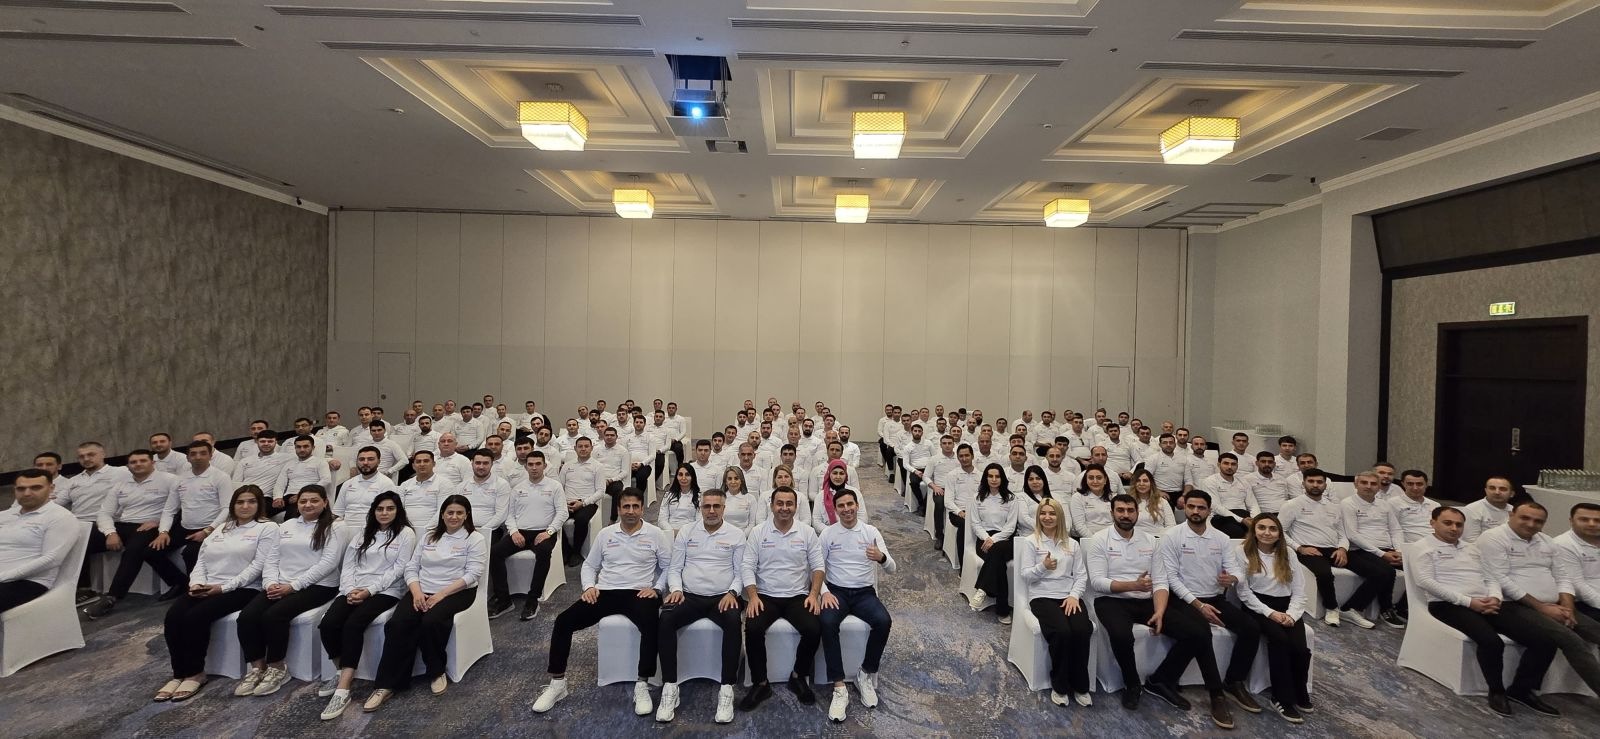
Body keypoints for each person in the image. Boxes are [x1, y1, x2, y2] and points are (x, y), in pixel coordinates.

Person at [533, 488, 670, 717]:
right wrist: (589, 587)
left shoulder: (655, 534)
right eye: (626, 507)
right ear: (618, 509)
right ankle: (558, 684)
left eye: (635, 506)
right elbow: (590, 565)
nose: (631, 511)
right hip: (605, 591)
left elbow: (668, 567)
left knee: (651, 625)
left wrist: (656, 589)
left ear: (642, 509)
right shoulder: (606, 534)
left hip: (639, 592)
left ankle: (642, 683)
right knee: (564, 621)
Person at [1415, 506, 1557, 716]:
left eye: (1459, 524)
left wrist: (1495, 597)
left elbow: (1490, 577)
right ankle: (1496, 691)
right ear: (1432, 523)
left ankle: (1521, 690)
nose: (1454, 528)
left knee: (1545, 640)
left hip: (1486, 602)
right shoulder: (1423, 547)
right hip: (1447, 605)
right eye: (1448, 523)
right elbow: (1425, 581)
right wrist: (1468, 602)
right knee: (1491, 641)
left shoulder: (1471, 549)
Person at [1149, 490, 1260, 730]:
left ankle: (1234, 681)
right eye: (1191, 507)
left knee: (1251, 628)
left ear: (1209, 510)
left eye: (1201, 507)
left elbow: (1237, 570)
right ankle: (1216, 693)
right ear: (1185, 508)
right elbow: (1171, 578)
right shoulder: (1171, 536)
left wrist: (1233, 578)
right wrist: (1198, 605)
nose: (1195, 511)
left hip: (1215, 599)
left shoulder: (1221, 538)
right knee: (1201, 632)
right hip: (1182, 600)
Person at [364, 495, 487, 710]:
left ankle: (436, 671)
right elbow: (411, 567)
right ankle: (386, 685)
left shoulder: (474, 538)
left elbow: (473, 574)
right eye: (450, 512)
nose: (454, 517)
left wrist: (441, 595)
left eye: (459, 513)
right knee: (398, 624)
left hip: (457, 592)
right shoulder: (429, 536)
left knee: (431, 621)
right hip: (421, 589)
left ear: (467, 515)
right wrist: (416, 592)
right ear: (442, 514)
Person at [155, 486, 276, 702]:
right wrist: (196, 583)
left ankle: (195, 673)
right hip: (207, 585)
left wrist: (223, 588)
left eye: (251, 501)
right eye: (240, 502)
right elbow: (201, 561)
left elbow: (258, 566)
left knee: (195, 617)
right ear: (232, 505)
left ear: (259, 505)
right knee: (173, 617)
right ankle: (178, 673)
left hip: (244, 588)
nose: (245, 506)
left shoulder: (267, 528)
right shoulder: (222, 528)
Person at [1474, 501, 1600, 705]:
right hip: (1511, 605)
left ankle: (1520, 690)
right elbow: (1500, 579)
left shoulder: (1546, 541)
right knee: (1571, 641)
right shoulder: (1493, 538)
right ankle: (1521, 691)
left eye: (1538, 521)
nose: (1531, 524)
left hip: (1553, 605)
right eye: (1525, 518)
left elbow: (1563, 577)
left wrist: (1568, 607)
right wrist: (1542, 608)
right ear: (1511, 515)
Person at [234, 485, 344, 697]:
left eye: (314, 500)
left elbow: (328, 563)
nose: (308, 505)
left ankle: (277, 668)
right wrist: (270, 583)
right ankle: (257, 668)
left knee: (274, 615)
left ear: (325, 502)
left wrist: (293, 586)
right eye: (303, 501)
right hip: (281, 583)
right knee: (247, 617)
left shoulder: (335, 526)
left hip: (319, 586)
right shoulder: (287, 525)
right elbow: (272, 558)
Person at [317, 492, 416, 720]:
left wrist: (369, 591)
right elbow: (349, 564)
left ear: (398, 511)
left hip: (386, 590)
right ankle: (341, 670)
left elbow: (399, 569)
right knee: (328, 624)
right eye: (380, 509)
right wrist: (349, 589)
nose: (384, 513)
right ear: (373, 511)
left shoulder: (405, 533)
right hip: (354, 588)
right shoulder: (363, 533)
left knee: (353, 624)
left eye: (390, 508)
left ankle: (343, 689)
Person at [654, 489, 746, 724]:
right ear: (700, 508)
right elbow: (674, 568)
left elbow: (741, 573)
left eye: (716, 506)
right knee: (665, 619)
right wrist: (676, 589)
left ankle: (727, 688)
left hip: (722, 597)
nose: (711, 511)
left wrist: (732, 592)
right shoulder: (687, 531)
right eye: (707, 506)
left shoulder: (736, 535)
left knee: (734, 621)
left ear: (724, 508)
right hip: (689, 596)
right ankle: (670, 686)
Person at [739, 486, 825, 710]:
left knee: (814, 628)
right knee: (753, 628)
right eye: (780, 503)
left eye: (789, 504)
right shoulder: (758, 532)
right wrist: (753, 597)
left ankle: (798, 676)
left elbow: (818, 566)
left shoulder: (807, 532)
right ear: (771, 506)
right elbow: (747, 566)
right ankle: (761, 683)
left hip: (797, 596)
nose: (784, 508)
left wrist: (814, 594)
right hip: (765, 596)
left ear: (796, 506)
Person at [818, 489, 895, 722]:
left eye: (850, 504)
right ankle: (839, 686)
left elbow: (892, 568)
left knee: (883, 621)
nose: (847, 509)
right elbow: (816, 568)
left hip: (864, 593)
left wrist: (881, 557)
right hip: (837, 592)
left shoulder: (871, 532)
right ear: (835, 509)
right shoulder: (828, 534)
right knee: (827, 622)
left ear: (857, 505)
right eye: (841, 506)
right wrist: (824, 592)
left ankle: (865, 673)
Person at [85, 450, 188, 617]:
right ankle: (79, 588)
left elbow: (184, 506)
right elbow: (104, 513)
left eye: (142, 461)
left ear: (152, 463)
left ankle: (112, 597)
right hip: (123, 525)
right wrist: (110, 533)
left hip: (151, 526)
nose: (138, 464)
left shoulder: (170, 480)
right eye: (133, 462)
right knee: (83, 539)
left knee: (134, 549)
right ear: (128, 466)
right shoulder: (121, 485)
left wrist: (158, 521)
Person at [1234, 514, 1314, 723]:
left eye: (1272, 529)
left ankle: (1299, 690)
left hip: (1286, 606)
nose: (1266, 533)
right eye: (1261, 527)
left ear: (1279, 534)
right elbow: (1244, 593)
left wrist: (1292, 615)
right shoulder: (1242, 551)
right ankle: (1281, 698)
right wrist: (1270, 613)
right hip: (1257, 606)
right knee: (1280, 641)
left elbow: (1299, 590)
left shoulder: (1288, 553)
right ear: (1254, 531)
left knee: (1300, 648)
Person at [1018, 497, 1094, 707]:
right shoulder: (1031, 542)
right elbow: (1026, 576)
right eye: (1043, 513)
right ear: (1038, 517)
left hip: (1069, 596)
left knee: (1082, 630)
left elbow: (1081, 576)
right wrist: (1043, 567)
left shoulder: (1072, 544)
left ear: (1059, 516)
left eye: (1052, 513)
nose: (1047, 517)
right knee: (1062, 632)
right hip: (1042, 596)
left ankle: (1080, 685)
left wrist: (1074, 596)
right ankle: (1060, 686)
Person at [1278, 468, 1361, 628]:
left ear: (1325, 485)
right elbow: (1280, 532)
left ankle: (1350, 608)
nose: (1315, 485)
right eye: (1311, 481)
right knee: (1324, 574)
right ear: (1303, 484)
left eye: (1319, 482)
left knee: (1377, 571)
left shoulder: (1334, 506)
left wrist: (1342, 549)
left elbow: (1342, 533)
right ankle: (1332, 608)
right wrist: (1299, 548)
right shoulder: (1292, 505)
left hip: (1333, 549)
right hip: (1307, 549)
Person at [488, 452, 567, 621]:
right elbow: (510, 515)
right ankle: (504, 599)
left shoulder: (554, 486)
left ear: (544, 466)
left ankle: (532, 600)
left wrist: (549, 532)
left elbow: (562, 512)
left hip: (544, 532)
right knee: (495, 552)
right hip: (521, 532)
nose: (534, 468)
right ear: (525, 467)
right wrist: (514, 532)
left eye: (538, 464)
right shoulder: (518, 488)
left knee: (543, 552)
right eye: (530, 464)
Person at [0, 468, 79, 614]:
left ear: (51, 488)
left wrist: (5, 576)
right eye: (21, 489)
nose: (27, 493)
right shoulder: (6, 515)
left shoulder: (60, 517)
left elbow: (51, 559)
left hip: (28, 581)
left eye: (35, 488)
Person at [157, 441, 237, 574]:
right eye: (193, 454)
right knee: (151, 551)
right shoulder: (180, 479)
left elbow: (227, 508)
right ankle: (179, 582)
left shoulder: (221, 477)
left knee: (190, 553)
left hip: (210, 527)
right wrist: (163, 532)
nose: (198, 457)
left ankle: (195, 585)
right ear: (188, 458)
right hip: (184, 527)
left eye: (203, 453)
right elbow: (169, 510)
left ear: (210, 456)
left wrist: (208, 530)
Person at [1340, 470, 1405, 627]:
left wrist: (1400, 551)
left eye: (1373, 483)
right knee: (1385, 572)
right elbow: (1352, 535)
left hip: (1387, 549)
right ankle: (1353, 608)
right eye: (1364, 483)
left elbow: (1396, 530)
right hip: (1358, 550)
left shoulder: (1384, 504)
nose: (1369, 486)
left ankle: (1403, 608)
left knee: (1417, 568)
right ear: (1356, 484)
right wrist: (1382, 554)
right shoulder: (1348, 503)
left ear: (1379, 486)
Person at [968, 463, 1019, 623]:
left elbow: (1010, 527)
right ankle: (1002, 610)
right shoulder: (977, 498)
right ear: (986, 478)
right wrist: (986, 538)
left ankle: (982, 589)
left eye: (997, 476)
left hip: (1005, 539)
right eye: (990, 476)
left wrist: (994, 539)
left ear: (1002, 478)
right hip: (983, 539)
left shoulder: (1011, 498)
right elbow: (975, 523)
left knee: (997, 552)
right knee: (999, 564)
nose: (994, 479)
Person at [1554, 502, 1600, 622]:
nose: (1592, 524)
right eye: (1584, 519)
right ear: (1571, 521)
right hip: (1583, 603)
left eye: (1597, 520)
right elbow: (1577, 586)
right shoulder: (1562, 544)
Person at [1199, 453, 1251, 538]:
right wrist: (1241, 520)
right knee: (1237, 532)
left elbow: (1253, 504)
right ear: (1219, 464)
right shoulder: (1210, 481)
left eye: (1233, 464)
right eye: (1226, 463)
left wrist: (1256, 519)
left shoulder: (1243, 482)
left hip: (1243, 515)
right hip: (1221, 517)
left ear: (1237, 466)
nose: (1230, 467)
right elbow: (1216, 507)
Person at [336, 447, 395, 522]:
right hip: (346, 526)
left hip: (372, 527)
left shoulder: (386, 483)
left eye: (370, 459)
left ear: (379, 462)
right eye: (361, 459)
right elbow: (338, 511)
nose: (365, 463)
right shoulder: (348, 483)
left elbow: (388, 514)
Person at [812, 459, 865, 533]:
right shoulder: (820, 496)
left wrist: (849, 531)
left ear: (846, 475)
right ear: (829, 474)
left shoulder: (855, 492)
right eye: (835, 473)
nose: (838, 476)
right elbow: (816, 521)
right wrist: (834, 532)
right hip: (829, 534)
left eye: (841, 473)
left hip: (853, 532)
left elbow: (863, 517)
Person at [1462, 476, 1514, 542]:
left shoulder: (1514, 510)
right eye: (1492, 488)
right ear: (1486, 491)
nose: (1497, 492)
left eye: (1502, 489)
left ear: (1511, 494)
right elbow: (1470, 541)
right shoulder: (1472, 509)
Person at [1069, 465, 1115, 540]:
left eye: (1099, 478)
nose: (1095, 481)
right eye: (1091, 478)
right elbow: (1079, 526)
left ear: (1105, 480)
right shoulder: (1078, 497)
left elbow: (1117, 523)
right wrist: (1095, 541)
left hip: (1111, 538)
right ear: (1086, 480)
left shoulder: (1113, 497)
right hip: (1088, 539)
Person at [659, 463, 702, 535]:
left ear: (692, 477)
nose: (683, 478)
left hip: (690, 533)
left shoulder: (699, 497)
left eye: (687, 475)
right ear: (677, 477)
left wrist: (684, 533)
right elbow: (662, 519)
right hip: (670, 532)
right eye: (680, 475)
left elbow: (699, 521)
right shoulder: (668, 495)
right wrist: (671, 531)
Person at [1129, 469, 1174, 537]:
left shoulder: (1163, 502)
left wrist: (1160, 537)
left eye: (1145, 481)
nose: (1141, 484)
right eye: (1138, 481)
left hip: (1158, 538)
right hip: (1135, 538)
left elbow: (1171, 525)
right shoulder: (1128, 502)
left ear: (1151, 483)